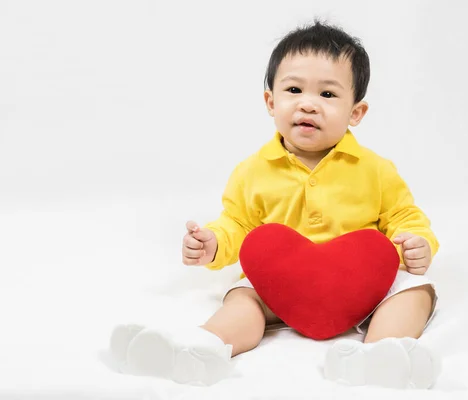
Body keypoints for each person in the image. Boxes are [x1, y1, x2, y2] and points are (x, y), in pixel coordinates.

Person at [109, 19, 441, 390]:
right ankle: (201, 347)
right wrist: (214, 243)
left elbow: (403, 214)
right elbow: (236, 223)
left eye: (328, 95)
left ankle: (381, 354)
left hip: (362, 283)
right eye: (294, 89)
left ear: (356, 113)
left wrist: (417, 241)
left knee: (415, 291)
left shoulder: (375, 169)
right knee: (244, 301)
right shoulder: (252, 171)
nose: (308, 105)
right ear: (271, 101)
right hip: (279, 283)